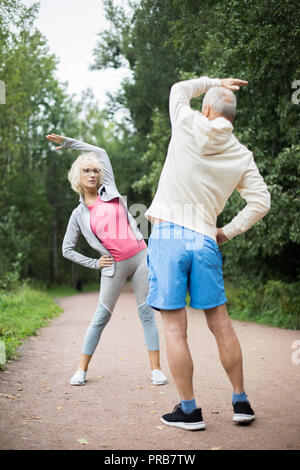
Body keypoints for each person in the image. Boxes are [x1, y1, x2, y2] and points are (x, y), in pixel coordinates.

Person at [144, 76, 271, 430]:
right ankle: (241, 402)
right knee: (221, 324)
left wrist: (214, 81)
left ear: (207, 109)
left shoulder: (186, 123)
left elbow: (177, 90)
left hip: (169, 233)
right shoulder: (241, 154)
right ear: (232, 118)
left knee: (174, 329)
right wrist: (226, 232)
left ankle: (189, 410)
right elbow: (261, 202)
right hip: (204, 239)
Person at [46, 133, 167, 387]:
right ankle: (81, 369)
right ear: (78, 177)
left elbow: (100, 150)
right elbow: (66, 249)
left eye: (94, 171)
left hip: (140, 256)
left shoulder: (109, 188)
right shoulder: (78, 214)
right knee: (101, 316)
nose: (92, 174)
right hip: (113, 265)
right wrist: (94, 263)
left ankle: (156, 369)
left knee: (146, 313)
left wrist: (70, 143)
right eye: (86, 171)